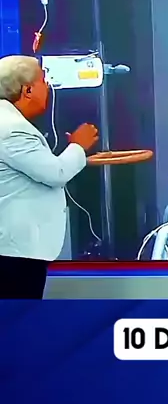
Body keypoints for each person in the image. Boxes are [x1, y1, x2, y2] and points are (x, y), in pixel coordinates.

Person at [0, 55, 99, 298]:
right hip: (14, 254)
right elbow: (56, 173)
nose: (49, 88)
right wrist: (79, 145)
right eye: (44, 81)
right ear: (27, 90)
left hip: (14, 251)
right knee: (19, 315)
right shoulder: (12, 129)